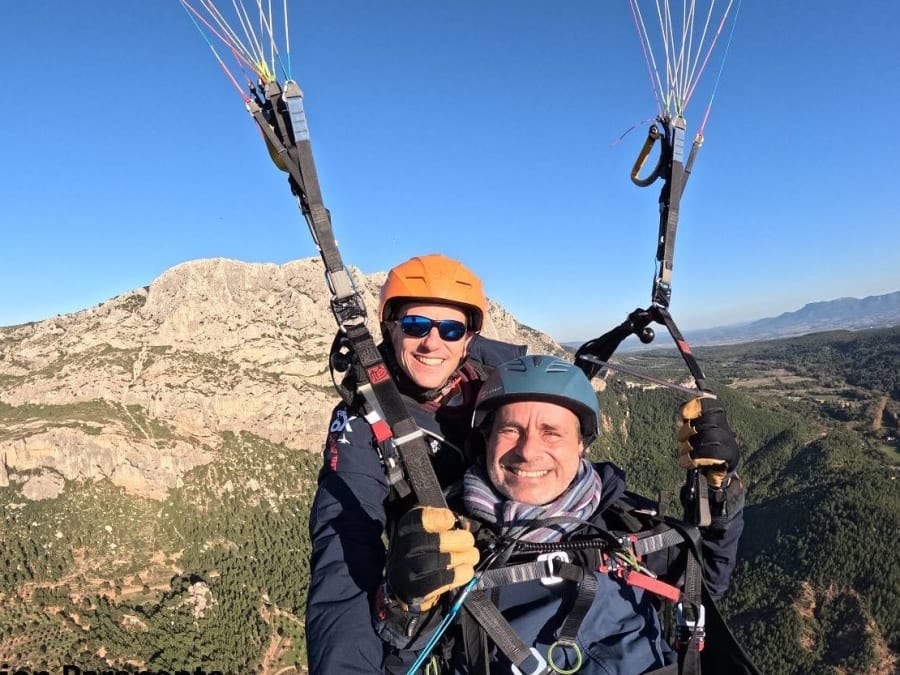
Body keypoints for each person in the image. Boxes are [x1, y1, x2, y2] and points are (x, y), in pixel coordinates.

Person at [377, 355, 748, 674]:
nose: (528, 451)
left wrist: (718, 495)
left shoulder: (623, 522)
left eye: (551, 433)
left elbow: (706, 583)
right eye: (511, 430)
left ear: (581, 444)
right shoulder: (447, 541)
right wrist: (401, 602)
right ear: (486, 438)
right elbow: (402, 654)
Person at [305, 254, 526, 673]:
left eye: (450, 329)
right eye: (415, 326)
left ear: (468, 340)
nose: (432, 342)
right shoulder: (365, 422)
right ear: (390, 328)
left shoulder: (509, 386)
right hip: (435, 588)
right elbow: (344, 545)